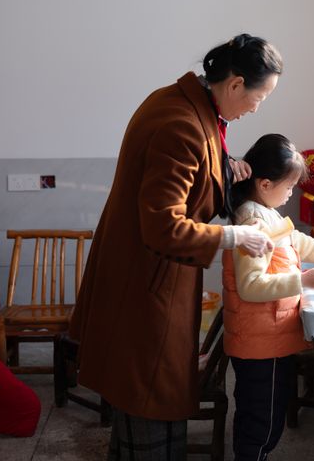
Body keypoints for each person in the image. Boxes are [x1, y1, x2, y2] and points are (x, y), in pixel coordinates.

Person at [69, 34, 282, 460]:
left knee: (142, 402)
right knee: (150, 399)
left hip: (147, 276)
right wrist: (235, 236)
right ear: (236, 84)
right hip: (146, 283)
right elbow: (164, 226)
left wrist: (224, 168)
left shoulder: (185, 104)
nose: (257, 108)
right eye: (260, 97)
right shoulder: (180, 124)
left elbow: (192, 171)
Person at [222, 133, 314, 461]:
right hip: (260, 345)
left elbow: (298, 242)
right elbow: (251, 286)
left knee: (268, 414)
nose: (290, 195)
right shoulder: (252, 221)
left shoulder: (264, 212)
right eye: (288, 187)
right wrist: (304, 280)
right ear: (264, 184)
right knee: (260, 422)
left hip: (270, 338)